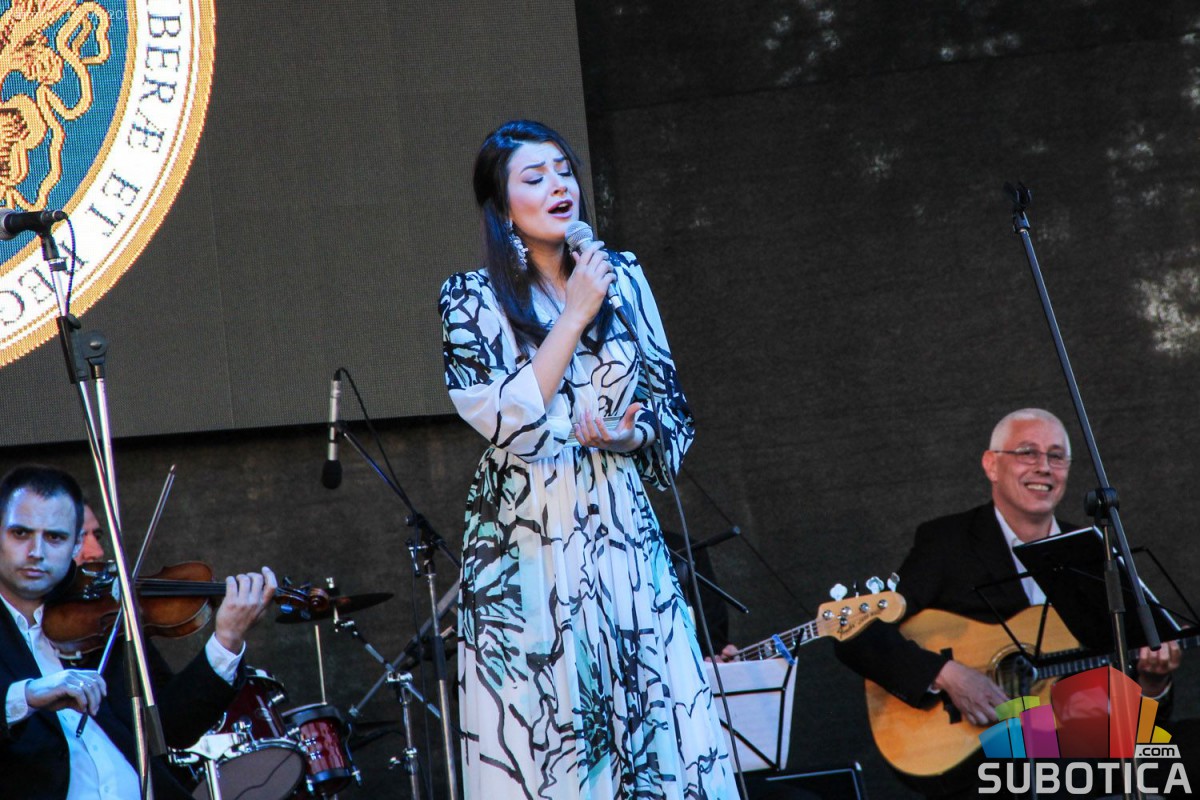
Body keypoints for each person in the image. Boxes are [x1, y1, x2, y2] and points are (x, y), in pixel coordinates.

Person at [439, 120, 738, 799]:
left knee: (654, 718)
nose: (559, 186)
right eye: (534, 177)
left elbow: (671, 410)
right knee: (555, 734)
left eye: (564, 171)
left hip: (619, 522)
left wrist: (629, 437)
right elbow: (506, 420)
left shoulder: (622, 276)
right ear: (502, 205)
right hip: (527, 534)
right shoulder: (469, 297)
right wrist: (574, 315)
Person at [835, 408, 1181, 797]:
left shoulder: (1093, 554)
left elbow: (1139, 724)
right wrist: (946, 673)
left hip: (1074, 756)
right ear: (991, 465)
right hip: (981, 757)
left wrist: (1154, 681)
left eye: (1056, 456)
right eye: (1027, 453)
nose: (1043, 467)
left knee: (1166, 766)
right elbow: (857, 632)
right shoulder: (948, 542)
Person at [0, 464, 278, 800]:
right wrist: (27, 695)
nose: (37, 552)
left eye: (55, 537)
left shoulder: (106, 620)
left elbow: (173, 728)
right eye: (20, 534)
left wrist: (227, 639)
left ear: (75, 546)